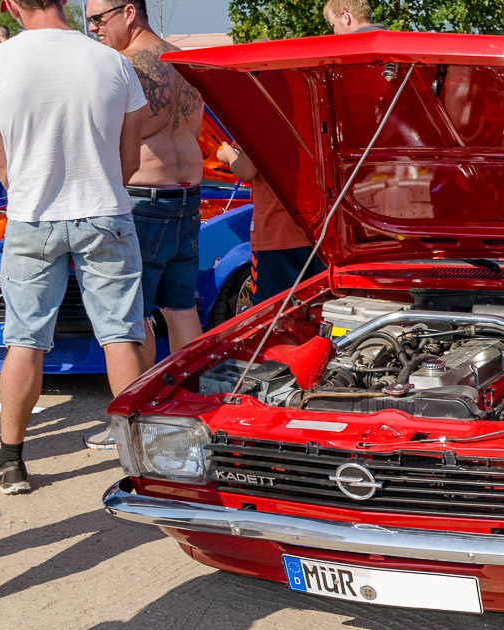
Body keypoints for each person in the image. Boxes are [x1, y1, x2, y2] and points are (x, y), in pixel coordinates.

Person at [0, 0, 147, 494]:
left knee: (25, 339)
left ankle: (10, 461)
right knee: (120, 334)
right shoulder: (112, 61)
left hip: (32, 216)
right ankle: (141, 468)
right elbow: (130, 157)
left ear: (12, 5)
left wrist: (31, 189)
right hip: (104, 208)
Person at [85, 0, 204, 447]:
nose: (93, 28)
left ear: (129, 12)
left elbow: (104, 137)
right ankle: (190, 408)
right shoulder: (181, 60)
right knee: (181, 307)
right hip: (186, 196)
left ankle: (139, 418)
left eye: (99, 18)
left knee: (132, 319)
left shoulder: (121, 68)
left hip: (143, 200)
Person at [216, 141, 325, 306]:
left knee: (271, 311)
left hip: (275, 231)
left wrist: (227, 153)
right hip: (318, 229)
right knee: (315, 306)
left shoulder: (263, 117)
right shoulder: (313, 116)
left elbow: (246, 170)